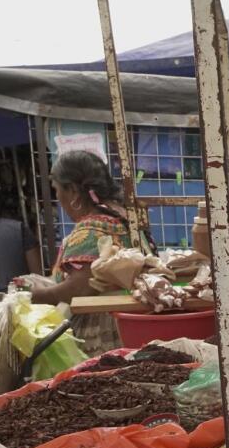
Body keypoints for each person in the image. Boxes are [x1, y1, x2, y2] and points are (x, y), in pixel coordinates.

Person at [25, 150, 154, 353]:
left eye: (57, 190)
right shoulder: (126, 216)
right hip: (136, 321)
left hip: (102, 333)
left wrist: (33, 296)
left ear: (74, 191)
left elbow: (80, 288)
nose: (57, 197)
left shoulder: (89, 230)